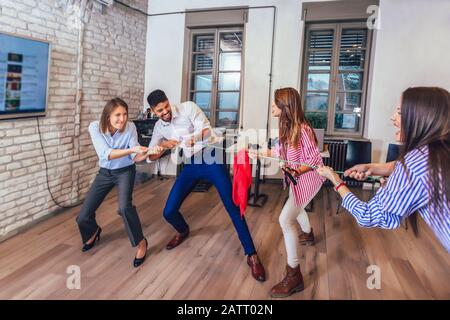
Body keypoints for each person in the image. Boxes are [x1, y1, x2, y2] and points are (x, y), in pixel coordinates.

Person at [143, 89, 266, 282]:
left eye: (166, 106)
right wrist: (163, 148)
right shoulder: (159, 128)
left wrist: (195, 137)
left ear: (168, 101)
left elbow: (207, 130)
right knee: (168, 211)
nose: (165, 111)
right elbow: (150, 155)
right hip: (190, 164)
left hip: (211, 158)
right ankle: (183, 230)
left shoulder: (187, 108)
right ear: (153, 111)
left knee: (232, 207)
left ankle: (252, 255)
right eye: (160, 110)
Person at [317, 87, 450, 253]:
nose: (393, 117)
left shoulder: (414, 164)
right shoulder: (438, 151)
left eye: (400, 112)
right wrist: (373, 168)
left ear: (423, 118)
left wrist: (335, 180)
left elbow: (367, 216)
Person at [251, 87, 325, 297]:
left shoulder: (302, 129)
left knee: (285, 219)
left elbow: (314, 160)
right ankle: (309, 235)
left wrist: (295, 169)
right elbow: (277, 152)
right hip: (297, 181)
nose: (272, 107)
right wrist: (257, 152)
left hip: (308, 180)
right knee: (295, 205)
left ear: (284, 107)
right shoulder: (286, 126)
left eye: (275, 104)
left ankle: (294, 275)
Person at [76, 98, 149, 267]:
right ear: (108, 115)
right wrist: (132, 150)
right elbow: (105, 154)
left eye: (124, 114)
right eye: (117, 115)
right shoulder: (95, 127)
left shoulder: (130, 127)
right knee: (83, 217)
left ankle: (141, 242)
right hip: (105, 173)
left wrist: (147, 153)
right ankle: (93, 231)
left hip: (125, 171)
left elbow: (135, 157)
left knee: (124, 208)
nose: (122, 119)